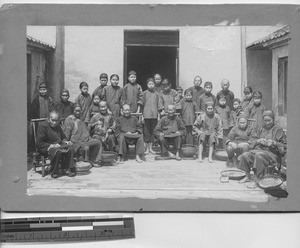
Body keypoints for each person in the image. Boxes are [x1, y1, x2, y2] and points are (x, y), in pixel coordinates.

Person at [238, 110, 287, 188]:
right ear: (262, 120)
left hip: (272, 154)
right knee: (245, 155)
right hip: (259, 150)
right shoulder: (259, 128)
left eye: (269, 120)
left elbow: (284, 145)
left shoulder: (278, 130)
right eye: (265, 120)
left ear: (273, 119)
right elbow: (251, 140)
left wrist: (274, 143)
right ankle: (248, 176)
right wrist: (258, 140)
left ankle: (256, 180)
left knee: (258, 155)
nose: (267, 123)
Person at [36, 111, 76, 178]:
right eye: (53, 120)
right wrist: (51, 145)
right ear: (48, 119)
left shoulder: (57, 125)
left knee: (70, 148)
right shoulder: (42, 126)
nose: (55, 122)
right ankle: (54, 171)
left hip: (58, 145)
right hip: (47, 147)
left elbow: (63, 137)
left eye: (56, 120)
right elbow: (39, 143)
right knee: (58, 152)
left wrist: (66, 141)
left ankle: (66, 169)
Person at [142, 78, 163, 154]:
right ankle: (146, 149)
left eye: (152, 84)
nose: (151, 85)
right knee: (146, 132)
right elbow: (141, 104)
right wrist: (142, 116)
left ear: (154, 85)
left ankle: (151, 148)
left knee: (153, 132)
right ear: (147, 85)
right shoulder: (144, 93)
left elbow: (159, 104)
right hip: (146, 115)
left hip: (154, 115)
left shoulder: (157, 94)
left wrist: (159, 114)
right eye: (149, 84)